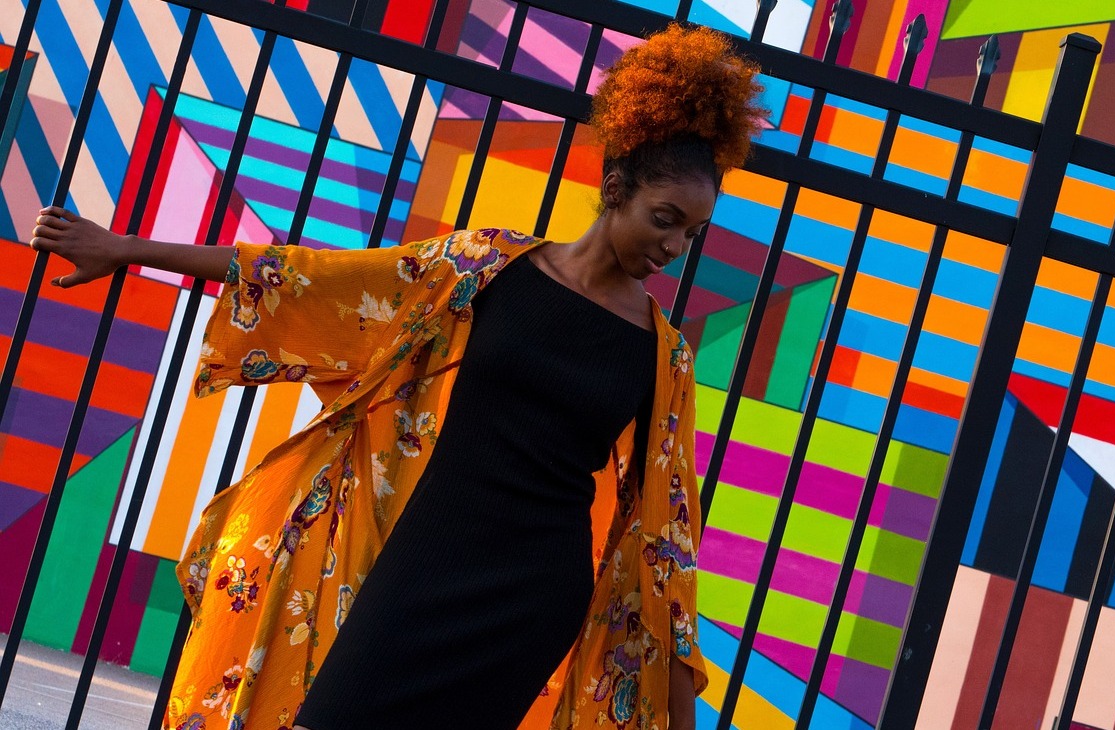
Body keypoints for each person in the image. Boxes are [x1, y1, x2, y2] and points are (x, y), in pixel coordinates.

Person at [28, 23, 766, 730]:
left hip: (534, 594)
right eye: (664, 218)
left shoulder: (662, 355)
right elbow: (310, 280)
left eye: (689, 233)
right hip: (425, 557)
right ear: (615, 184)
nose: (673, 246)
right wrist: (124, 247)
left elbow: (666, 537)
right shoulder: (485, 270)